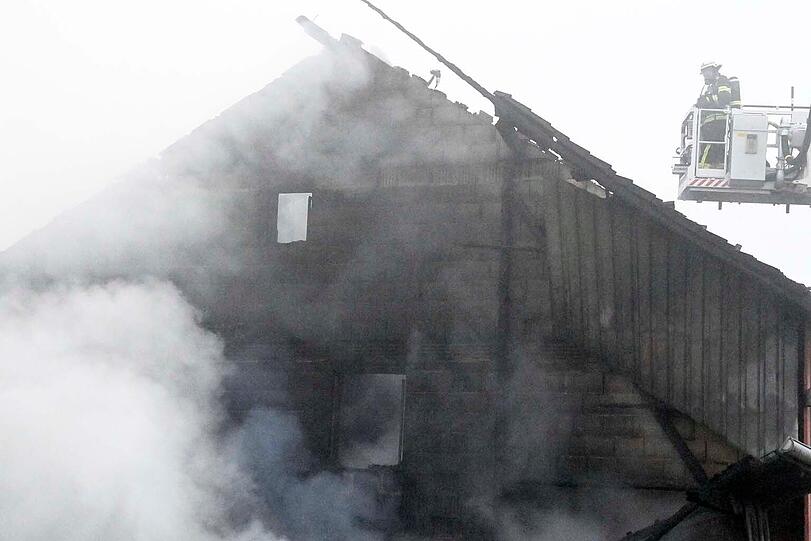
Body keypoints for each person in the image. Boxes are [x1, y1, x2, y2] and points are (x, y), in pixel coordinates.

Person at [695, 62, 739, 168]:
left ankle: (703, 167)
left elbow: (724, 98)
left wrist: (706, 100)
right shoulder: (711, 85)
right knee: (715, 148)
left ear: (714, 71)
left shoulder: (722, 81)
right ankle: (715, 165)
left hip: (717, 121)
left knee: (709, 146)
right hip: (711, 121)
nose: (704, 76)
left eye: (706, 72)